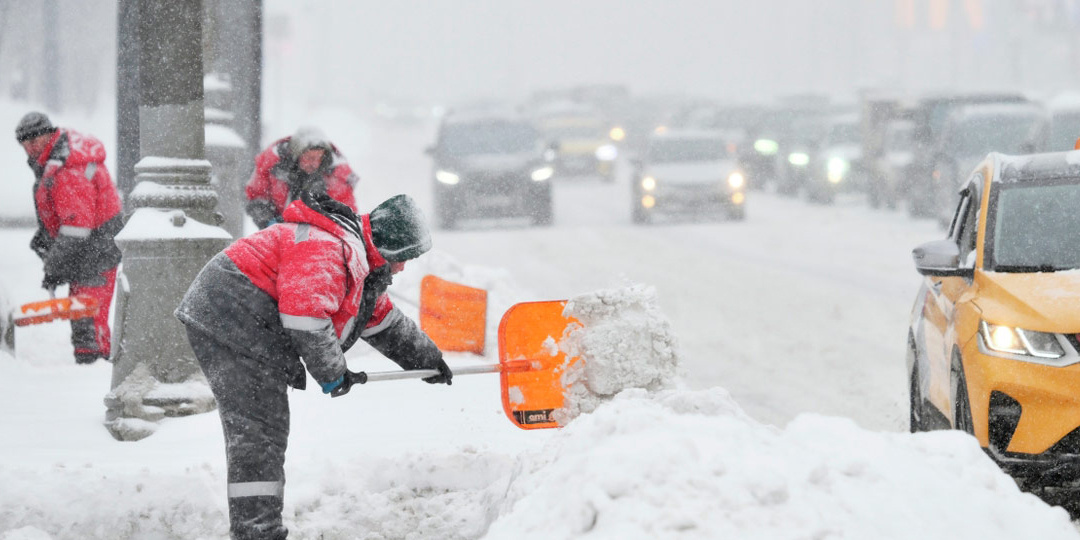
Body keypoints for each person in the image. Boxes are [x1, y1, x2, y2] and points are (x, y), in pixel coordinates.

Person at [175, 191, 452, 540]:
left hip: (240, 320)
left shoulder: (356, 262)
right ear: (386, 247)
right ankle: (257, 532)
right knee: (259, 430)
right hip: (230, 315)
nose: (402, 268)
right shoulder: (328, 249)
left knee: (262, 429)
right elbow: (305, 318)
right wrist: (334, 374)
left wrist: (428, 360)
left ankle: (257, 529)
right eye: (402, 258)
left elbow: (383, 321)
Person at [15, 112, 122, 365]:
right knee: (83, 315)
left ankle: (95, 370)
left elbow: (76, 228)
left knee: (89, 319)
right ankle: (91, 365)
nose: (30, 148)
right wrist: (47, 240)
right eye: (24, 143)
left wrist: (54, 267)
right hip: (91, 249)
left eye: (34, 140)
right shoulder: (58, 160)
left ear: (49, 135)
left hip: (96, 250)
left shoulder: (68, 169)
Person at [245, 127, 359, 229]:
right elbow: (256, 196)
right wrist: (269, 222)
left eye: (319, 158)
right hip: (276, 233)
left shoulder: (336, 177)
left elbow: (347, 216)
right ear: (297, 154)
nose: (314, 163)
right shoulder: (271, 165)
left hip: (318, 237)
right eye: (309, 158)